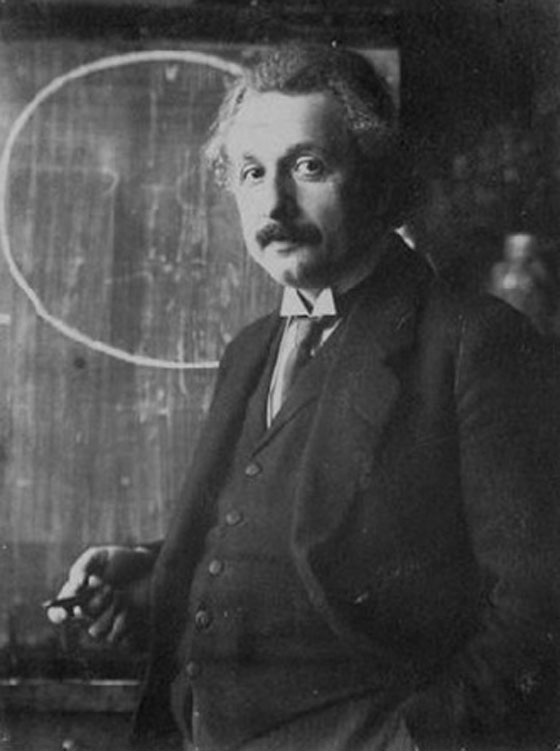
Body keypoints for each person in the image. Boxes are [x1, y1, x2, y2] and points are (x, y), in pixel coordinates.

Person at [48, 44, 560, 751]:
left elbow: (538, 606)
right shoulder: (252, 348)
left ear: (379, 179)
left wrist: (415, 743)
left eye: (309, 166)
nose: (274, 204)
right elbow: (283, 522)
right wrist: (156, 569)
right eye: (252, 172)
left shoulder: (472, 341)